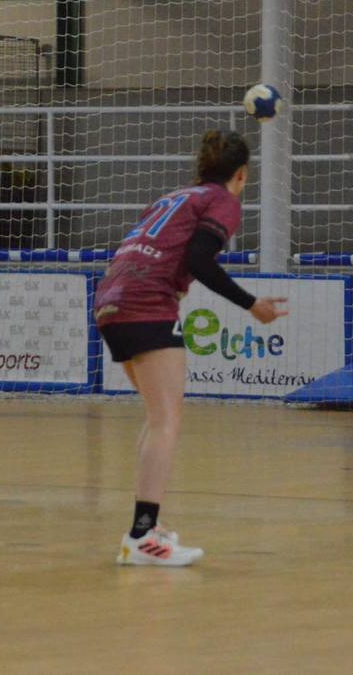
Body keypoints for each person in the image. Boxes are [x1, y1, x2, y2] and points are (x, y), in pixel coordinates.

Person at [94, 130, 288, 566]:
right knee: (167, 421)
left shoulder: (176, 196)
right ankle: (142, 538)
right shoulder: (222, 200)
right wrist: (252, 304)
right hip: (145, 302)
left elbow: (161, 250)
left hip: (110, 298)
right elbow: (200, 259)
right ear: (242, 174)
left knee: (157, 417)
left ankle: (145, 526)